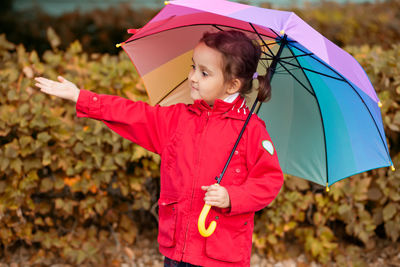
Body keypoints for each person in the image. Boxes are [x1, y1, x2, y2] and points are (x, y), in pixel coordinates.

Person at [35, 30, 284, 267]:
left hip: (221, 253)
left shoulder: (251, 130)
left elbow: (269, 180)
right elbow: (134, 115)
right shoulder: (177, 119)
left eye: (205, 73)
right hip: (178, 247)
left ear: (232, 85)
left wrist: (232, 197)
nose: (193, 77)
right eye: (193, 67)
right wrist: (83, 98)